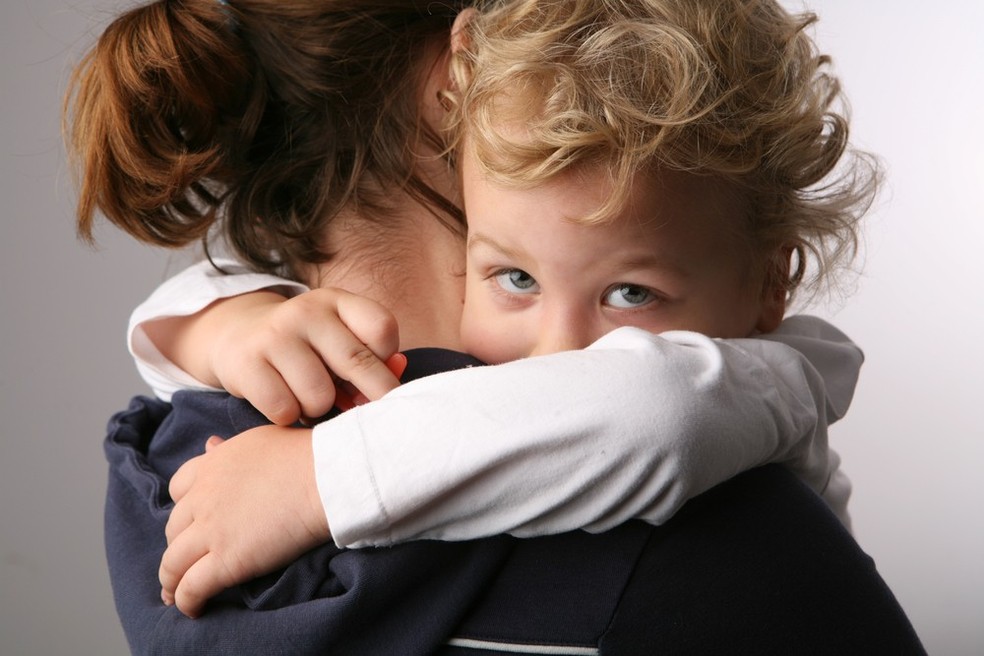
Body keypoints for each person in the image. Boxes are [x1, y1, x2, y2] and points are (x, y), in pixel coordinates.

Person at [67, 0, 925, 652]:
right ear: (462, 89)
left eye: (632, 295)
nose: (559, 354)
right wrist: (252, 359)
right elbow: (651, 406)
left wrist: (303, 460)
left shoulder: (185, 471)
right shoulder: (718, 537)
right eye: (513, 277)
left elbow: (653, 405)